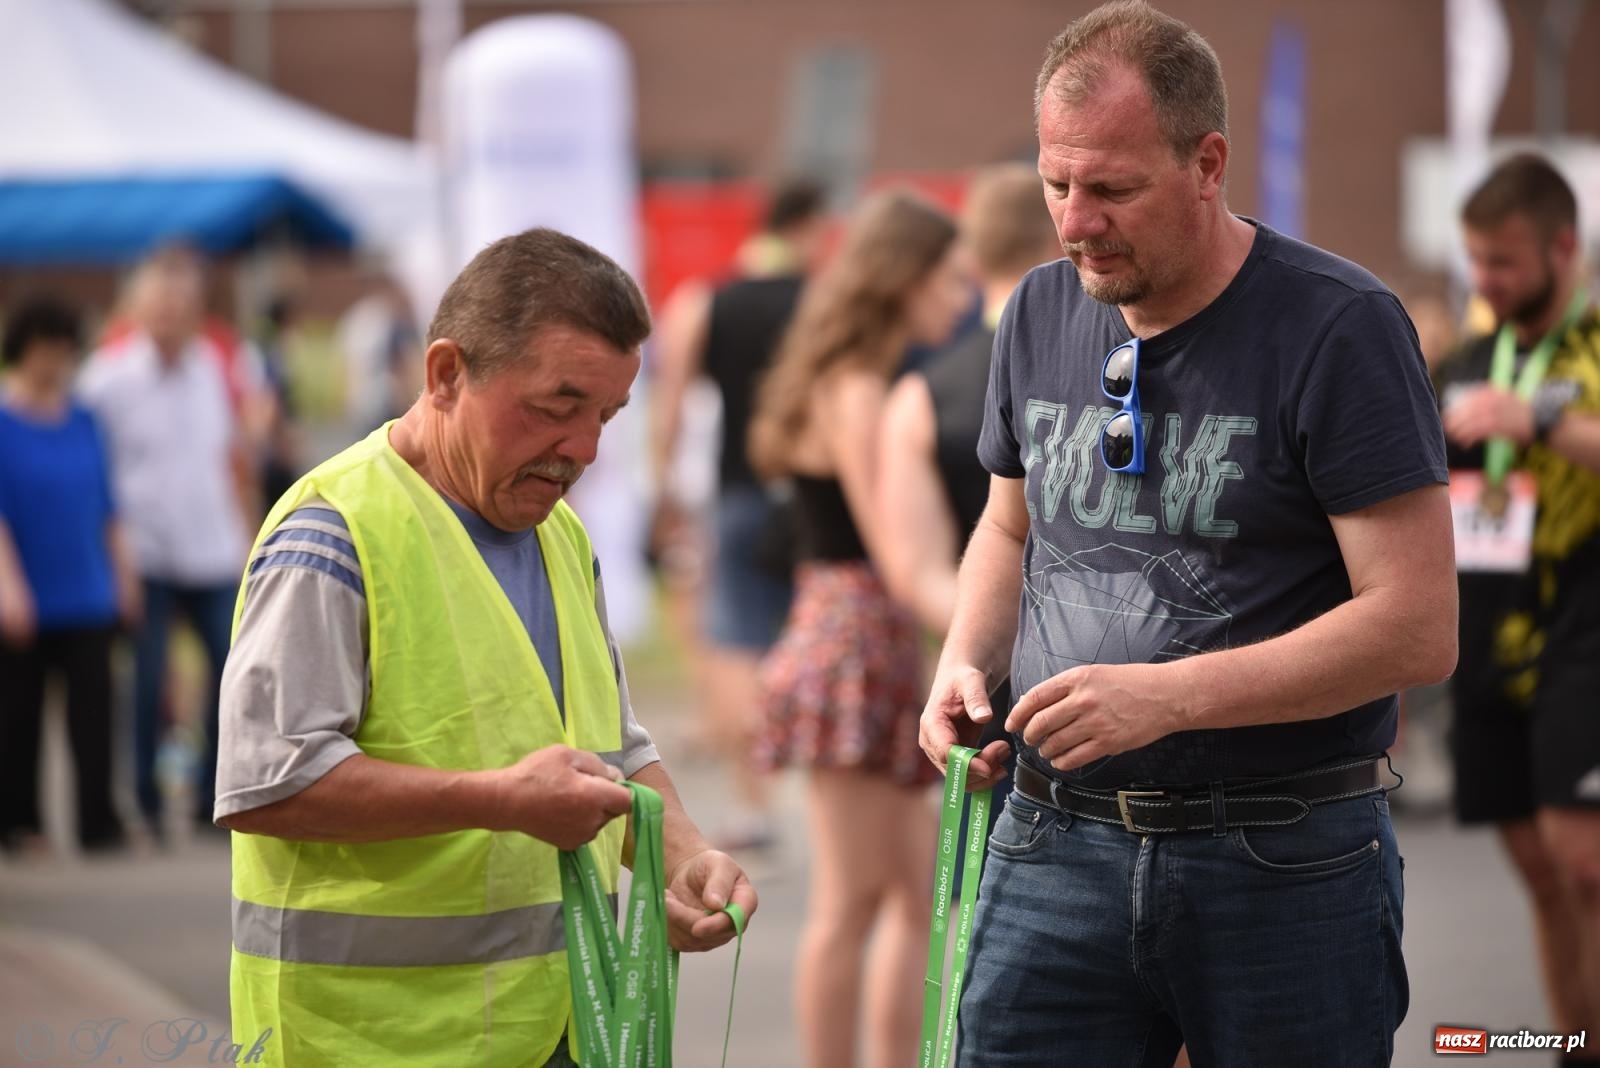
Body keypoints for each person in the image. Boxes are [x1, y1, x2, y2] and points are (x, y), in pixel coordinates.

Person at [917, 4, 1457, 1065]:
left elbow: (1416, 627)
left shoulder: (1338, 326)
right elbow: (1005, 524)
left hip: (1279, 855)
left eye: (1112, 189)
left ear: (1207, 163)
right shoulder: (1035, 310)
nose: (1075, 224)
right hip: (1049, 841)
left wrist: (1162, 700)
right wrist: (962, 665)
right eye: (1055, 185)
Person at [213, 228, 756, 1067]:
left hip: (556, 1029)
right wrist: (498, 799)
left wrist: (682, 855)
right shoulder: (334, 534)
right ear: (443, 375)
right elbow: (264, 784)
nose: (583, 449)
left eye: (606, 416)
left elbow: (611, 745)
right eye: (555, 406)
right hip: (368, 1042)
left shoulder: (560, 534)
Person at [748, 189, 971, 1068]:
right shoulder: (859, 390)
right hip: (853, 637)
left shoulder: (851, 380)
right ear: (902, 279)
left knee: (912, 893)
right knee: (855, 900)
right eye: (949, 281)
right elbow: (893, 547)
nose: (960, 302)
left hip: (854, 634)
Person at [1438, 153, 1600, 1058]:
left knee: (1585, 867)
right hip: (1483, 634)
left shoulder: (1596, 341)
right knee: (1545, 876)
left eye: (1503, 260)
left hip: (1584, 624)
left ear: (1564, 245)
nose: (1486, 279)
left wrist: (1535, 420)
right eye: (1475, 260)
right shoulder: (1464, 359)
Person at [648, 178, 829, 850]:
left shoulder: (707, 301)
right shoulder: (822, 302)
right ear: (806, 225)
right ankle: (822, 799)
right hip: (812, 496)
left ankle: (755, 805)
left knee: (733, 645)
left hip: (738, 493)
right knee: (818, 635)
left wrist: (665, 490)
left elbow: (670, 405)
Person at [80, 247, 256, 838]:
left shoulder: (211, 366)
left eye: (181, 306)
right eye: (158, 305)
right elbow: (91, 474)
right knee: (149, 678)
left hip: (211, 544)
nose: (169, 316)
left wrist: (251, 531)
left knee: (232, 670)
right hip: (145, 549)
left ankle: (216, 794)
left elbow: (228, 457)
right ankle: (147, 803)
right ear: (136, 309)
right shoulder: (106, 379)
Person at [0, 297, 138, 856]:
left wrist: (124, 575)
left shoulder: (84, 420)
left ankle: (98, 821)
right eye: (46, 350)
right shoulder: (5, 423)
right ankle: (19, 822)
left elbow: (107, 506)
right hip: (25, 590)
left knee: (95, 714)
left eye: (64, 351)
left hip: (86, 588)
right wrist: (8, 588)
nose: (56, 361)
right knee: (18, 717)